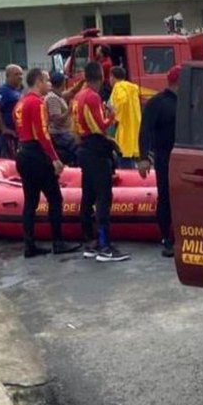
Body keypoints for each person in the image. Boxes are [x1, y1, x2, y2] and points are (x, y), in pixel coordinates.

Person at [15, 68, 81, 258]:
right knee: (55, 198)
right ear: (38, 81)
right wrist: (54, 159)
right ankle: (58, 242)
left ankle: (29, 245)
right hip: (37, 154)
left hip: (23, 152)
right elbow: (43, 134)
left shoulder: (21, 103)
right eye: (46, 80)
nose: (49, 84)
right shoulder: (37, 103)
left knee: (30, 201)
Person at [73, 61, 129, 262]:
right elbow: (101, 126)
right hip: (96, 148)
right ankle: (105, 246)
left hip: (84, 148)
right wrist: (111, 115)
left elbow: (75, 126)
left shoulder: (78, 96)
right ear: (101, 77)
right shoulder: (93, 96)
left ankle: (91, 242)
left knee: (88, 196)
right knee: (104, 197)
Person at [138, 65, 180, 258]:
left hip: (185, 157)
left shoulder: (188, 102)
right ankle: (166, 238)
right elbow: (145, 130)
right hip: (165, 157)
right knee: (165, 196)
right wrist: (143, 157)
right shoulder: (157, 103)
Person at [46, 72, 84, 166]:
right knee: (79, 146)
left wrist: (82, 81)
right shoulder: (52, 98)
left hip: (64, 131)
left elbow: (72, 92)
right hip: (59, 134)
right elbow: (57, 119)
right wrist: (69, 110)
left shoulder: (57, 95)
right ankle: (76, 167)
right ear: (63, 83)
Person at [108, 67, 142, 169]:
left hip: (123, 128)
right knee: (130, 158)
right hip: (133, 127)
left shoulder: (118, 87)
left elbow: (122, 101)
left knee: (123, 157)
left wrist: (114, 114)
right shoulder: (131, 88)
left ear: (113, 77)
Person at [0, 64, 24, 158]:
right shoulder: (3, 90)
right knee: (9, 159)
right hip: (8, 134)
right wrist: (3, 128)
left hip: (17, 132)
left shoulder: (17, 91)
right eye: (16, 74)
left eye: (21, 74)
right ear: (8, 76)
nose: (20, 77)